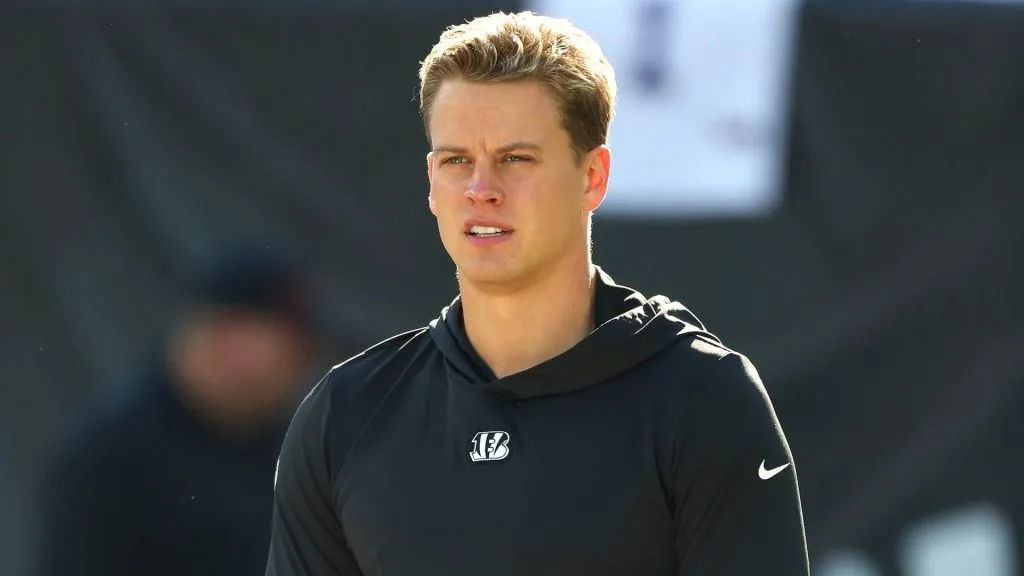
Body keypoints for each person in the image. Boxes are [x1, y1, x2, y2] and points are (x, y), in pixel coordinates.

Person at [266, 11, 808, 576]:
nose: (481, 190)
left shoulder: (702, 401)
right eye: (457, 161)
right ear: (432, 182)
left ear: (593, 177)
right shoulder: (345, 416)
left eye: (515, 159)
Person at [36, 247, 321, 576]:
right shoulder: (112, 457)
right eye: (288, 352)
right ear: (230, 343)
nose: (300, 369)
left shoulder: (292, 450)